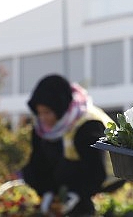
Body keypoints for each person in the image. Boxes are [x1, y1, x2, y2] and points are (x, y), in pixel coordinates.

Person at [21, 74, 124, 216]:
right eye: (39, 113)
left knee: (66, 172)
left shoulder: (88, 124)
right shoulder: (42, 127)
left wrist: (75, 195)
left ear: (60, 107)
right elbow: (38, 162)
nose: (43, 118)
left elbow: (95, 171)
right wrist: (47, 192)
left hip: (109, 176)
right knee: (30, 171)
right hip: (72, 174)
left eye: (47, 112)